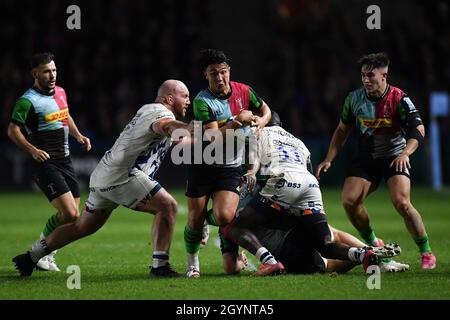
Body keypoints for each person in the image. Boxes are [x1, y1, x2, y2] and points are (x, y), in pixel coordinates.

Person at [12, 79, 192, 278]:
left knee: (82, 226)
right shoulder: (161, 113)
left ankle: (30, 258)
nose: (188, 101)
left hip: (104, 175)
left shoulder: (148, 110)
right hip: (123, 176)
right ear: (169, 98)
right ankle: (160, 267)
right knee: (167, 206)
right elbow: (164, 126)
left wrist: (212, 133)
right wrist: (183, 127)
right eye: (185, 96)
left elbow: (179, 137)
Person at [220, 112, 402, 276]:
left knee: (233, 227)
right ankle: (364, 253)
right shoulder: (298, 142)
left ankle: (269, 262)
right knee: (326, 243)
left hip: (284, 180)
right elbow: (308, 168)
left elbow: (249, 157)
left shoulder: (258, 132)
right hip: (310, 184)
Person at [315, 53, 436, 269]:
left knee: (402, 204)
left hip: (394, 157)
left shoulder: (399, 99)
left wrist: (405, 153)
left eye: (370, 75)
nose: (366, 80)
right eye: (363, 75)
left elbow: (419, 129)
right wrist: (329, 159)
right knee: (349, 202)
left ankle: (425, 251)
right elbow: (342, 130)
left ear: (384, 75)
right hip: (367, 158)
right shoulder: (354, 99)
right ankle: (373, 242)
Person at [184, 49, 272, 278]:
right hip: (203, 162)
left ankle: (206, 221)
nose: (220, 78)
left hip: (229, 165)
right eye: (214, 73)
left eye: (223, 72)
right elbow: (213, 138)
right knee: (194, 219)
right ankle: (193, 262)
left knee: (225, 216)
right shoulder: (202, 101)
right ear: (206, 75)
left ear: (229, 71)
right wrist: (237, 121)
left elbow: (265, 109)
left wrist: (261, 122)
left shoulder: (244, 91)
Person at [8, 52, 91, 272]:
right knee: (71, 214)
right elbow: (13, 130)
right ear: (35, 74)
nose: (52, 74)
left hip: (65, 160)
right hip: (45, 163)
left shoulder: (61, 92)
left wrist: (78, 135)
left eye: (54, 70)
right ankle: (41, 251)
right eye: (46, 71)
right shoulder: (27, 101)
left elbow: (66, 115)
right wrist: (32, 150)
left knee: (72, 218)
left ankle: (46, 253)